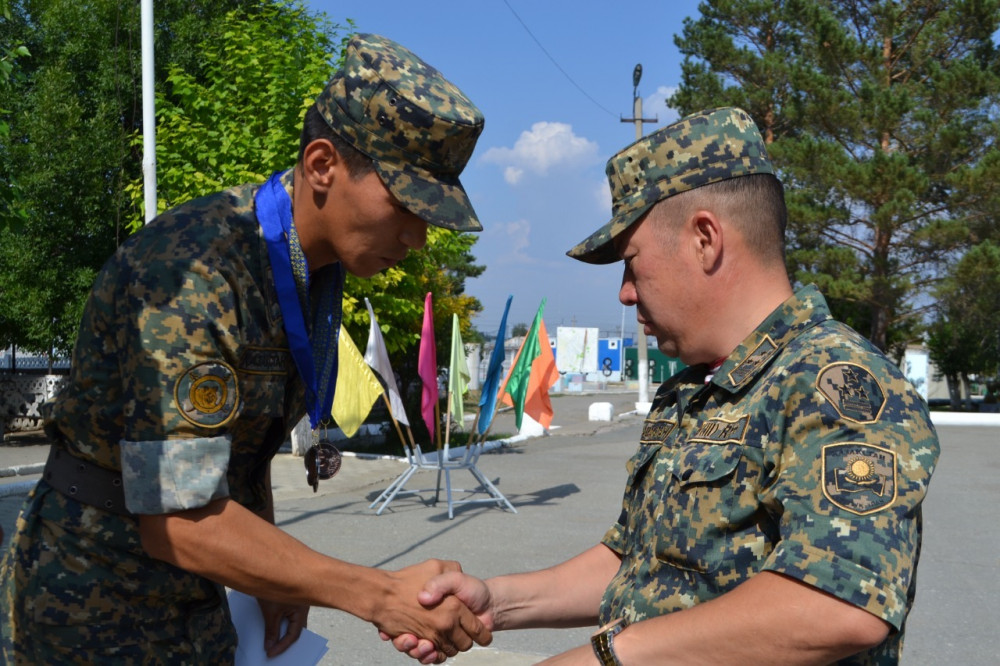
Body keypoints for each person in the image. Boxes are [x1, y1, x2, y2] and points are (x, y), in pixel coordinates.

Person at [0, 33, 493, 663]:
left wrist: (275, 576)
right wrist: (377, 593)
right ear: (321, 166)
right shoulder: (199, 268)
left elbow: (237, 450)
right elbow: (178, 518)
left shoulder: (310, 269)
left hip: (194, 601)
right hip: (91, 600)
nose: (419, 237)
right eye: (405, 204)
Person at [391, 107, 940, 665]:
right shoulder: (691, 389)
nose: (625, 295)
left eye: (631, 263)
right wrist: (498, 604)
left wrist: (604, 658)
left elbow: (838, 606)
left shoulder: (836, 382)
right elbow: (637, 560)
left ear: (705, 238)